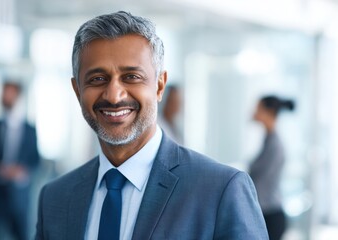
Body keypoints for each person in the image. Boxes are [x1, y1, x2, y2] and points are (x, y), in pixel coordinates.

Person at [35, 11, 268, 240]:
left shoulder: (221, 190)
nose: (114, 96)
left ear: (159, 86)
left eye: (131, 77)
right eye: (97, 79)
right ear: (77, 91)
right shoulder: (55, 198)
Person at [0, 81, 40, 240]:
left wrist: (21, 171)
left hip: (19, 197)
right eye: (4, 93)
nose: (6, 96)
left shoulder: (30, 130)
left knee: (22, 235)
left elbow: (36, 161)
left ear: (18, 97)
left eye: (10, 93)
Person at [249, 95, 295, 240]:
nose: (253, 112)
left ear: (268, 112)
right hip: (267, 213)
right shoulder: (268, 141)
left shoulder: (275, 145)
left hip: (270, 216)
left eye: (257, 108)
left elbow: (261, 183)